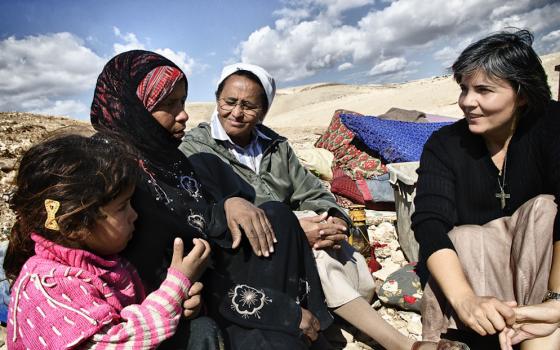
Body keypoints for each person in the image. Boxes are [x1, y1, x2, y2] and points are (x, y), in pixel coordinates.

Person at [180, 63, 468, 350]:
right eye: (229, 102)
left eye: (249, 105)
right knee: (318, 256)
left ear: (264, 110)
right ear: (218, 99)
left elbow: (311, 189)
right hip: (249, 250)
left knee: (344, 266)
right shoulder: (197, 148)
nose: (237, 113)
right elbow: (207, 213)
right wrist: (292, 231)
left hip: (301, 230)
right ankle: (404, 345)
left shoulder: (274, 145)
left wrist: (333, 220)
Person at [90, 50, 332, 349]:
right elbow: (168, 268)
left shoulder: (168, 158)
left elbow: (196, 216)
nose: (184, 114)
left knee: (277, 216)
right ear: (132, 108)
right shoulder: (113, 173)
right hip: (179, 297)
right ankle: (284, 325)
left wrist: (229, 205)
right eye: (168, 104)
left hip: (209, 268)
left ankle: (307, 325)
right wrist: (279, 311)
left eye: (182, 101)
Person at [411, 29, 560, 350]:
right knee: (463, 236)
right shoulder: (445, 144)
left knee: (544, 210)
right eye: (464, 89)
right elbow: (429, 222)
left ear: (521, 94)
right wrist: (464, 298)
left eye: (483, 90)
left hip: (549, 282)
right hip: (472, 283)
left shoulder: (552, 125)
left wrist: (556, 300)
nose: (467, 101)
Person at [4, 133, 211, 349]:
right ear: (72, 225)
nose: (134, 215)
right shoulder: (49, 286)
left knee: (200, 329)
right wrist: (176, 285)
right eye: (122, 207)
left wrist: (178, 305)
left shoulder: (105, 263)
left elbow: (139, 314)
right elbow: (117, 343)